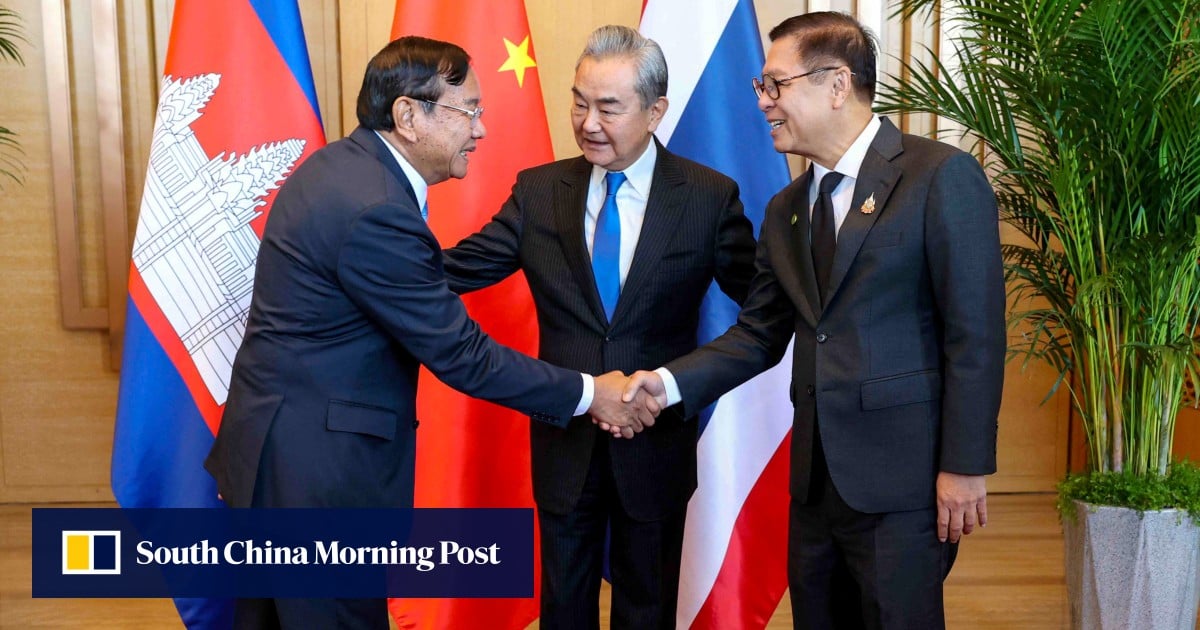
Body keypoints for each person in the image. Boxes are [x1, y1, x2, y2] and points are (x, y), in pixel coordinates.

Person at [204, 36, 658, 630]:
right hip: (318, 479)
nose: (481, 130)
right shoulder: (375, 207)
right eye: (468, 110)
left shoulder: (343, 168)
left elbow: (404, 287)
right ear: (408, 116)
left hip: (280, 458)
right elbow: (463, 355)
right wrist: (590, 393)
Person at [621, 12, 1005, 629]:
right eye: (761, 87)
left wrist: (964, 465)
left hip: (903, 484)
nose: (763, 102)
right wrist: (665, 385)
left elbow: (975, 335)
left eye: (777, 85)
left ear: (836, 84)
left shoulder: (938, 176)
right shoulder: (786, 208)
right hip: (815, 487)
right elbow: (758, 334)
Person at [441, 25, 756, 630]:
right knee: (563, 608)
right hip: (566, 440)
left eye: (608, 108)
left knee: (647, 609)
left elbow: (763, 311)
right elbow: (458, 268)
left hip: (656, 443)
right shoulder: (539, 191)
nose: (588, 123)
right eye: (579, 102)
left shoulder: (708, 197)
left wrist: (678, 384)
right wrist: (364, 256)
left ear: (655, 111)